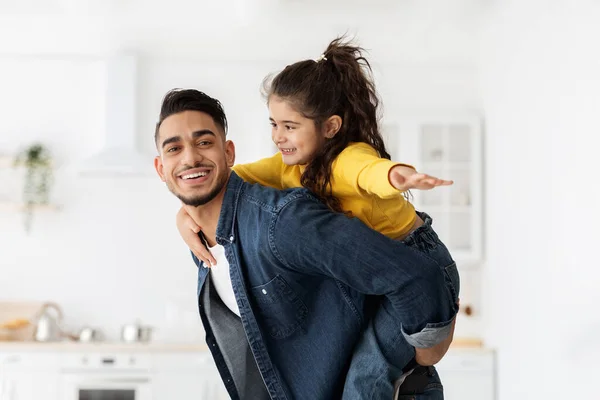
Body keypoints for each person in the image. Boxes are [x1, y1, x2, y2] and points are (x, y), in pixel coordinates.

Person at [175, 37, 460, 399]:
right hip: (381, 274)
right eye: (274, 124)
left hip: (417, 256)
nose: (279, 137)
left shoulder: (347, 157)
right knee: (366, 370)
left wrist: (398, 176)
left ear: (330, 127)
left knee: (367, 375)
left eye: (290, 126)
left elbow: (369, 171)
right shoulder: (286, 168)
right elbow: (229, 180)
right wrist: (184, 213)